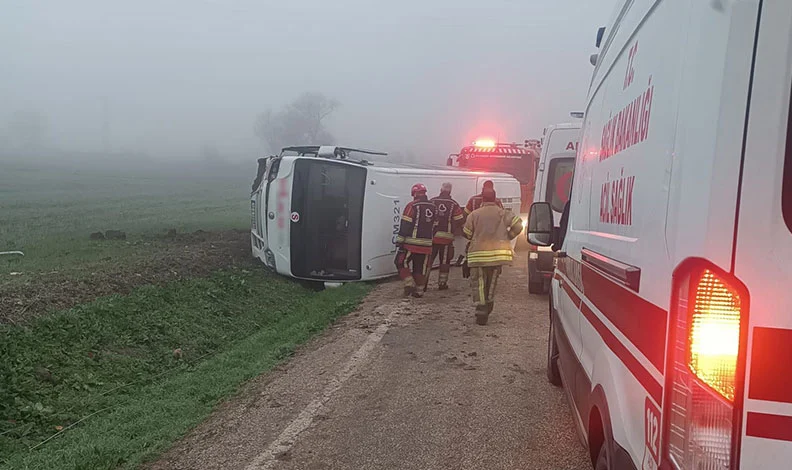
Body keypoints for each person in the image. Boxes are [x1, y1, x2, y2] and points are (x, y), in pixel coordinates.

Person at [463, 188, 523, 325]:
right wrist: (509, 236)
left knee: (478, 282)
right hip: (497, 255)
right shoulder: (503, 213)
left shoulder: (474, 214)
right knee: (492, 282)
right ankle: (489, 304)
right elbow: (519, 225)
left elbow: (466, 232)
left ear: (482, 199)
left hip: (477, 255)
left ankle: (481, 308)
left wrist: (475, 237)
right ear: (495, 199)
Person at [394, 183, 436, 297]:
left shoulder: (412, 206)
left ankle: (409, 283)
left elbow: (405, 224)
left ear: (414, 193)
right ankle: (419, 291)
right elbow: (435, 225)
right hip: (427, 245)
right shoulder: (433, 206)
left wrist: (400, 240)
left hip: (411, 244)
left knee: (400, 262)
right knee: (420, 268)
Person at [425, 182, 465, 291]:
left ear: (440, 189)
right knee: (444, 261)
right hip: (446, 239)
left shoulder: (432, 202)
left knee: (428, 260)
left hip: (432, 238)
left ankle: (423, 284)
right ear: (450, 191)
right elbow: (460, 220)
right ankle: (442, 284)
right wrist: (452, 228)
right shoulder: (454, 204)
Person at [462, 180, 503, 279]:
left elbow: (465, 215)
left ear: (482, 188)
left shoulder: (473, 200)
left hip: (476, 238)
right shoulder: (497, 202)